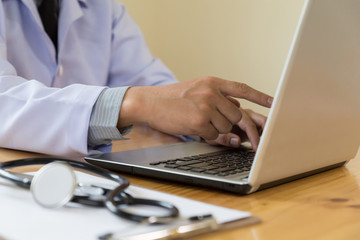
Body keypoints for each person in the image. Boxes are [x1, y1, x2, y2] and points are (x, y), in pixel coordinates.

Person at [0, 0, 273, 157]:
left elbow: (149, 83)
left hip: (84, 179)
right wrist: (140, 104)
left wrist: (204, 117)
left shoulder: (102, 6)